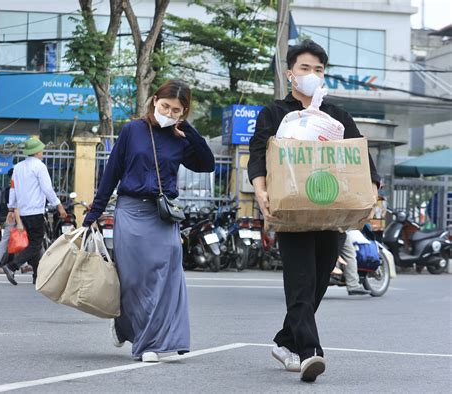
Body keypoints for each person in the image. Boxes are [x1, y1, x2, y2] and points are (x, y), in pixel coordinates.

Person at [248, 40, 381, 383]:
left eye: (318, 70)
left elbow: (361, 158)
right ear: (290, 73)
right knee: (301, 282)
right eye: (305, 68)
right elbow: (259, 155)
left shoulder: (336, 116)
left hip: (330, 212)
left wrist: (372, 195)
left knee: (320, 281)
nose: (311, 74)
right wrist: (261, 192)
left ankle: (284, 341)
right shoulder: (275, 113)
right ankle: (310, 352)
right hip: (291, 214)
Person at [82, 80, 215, 362]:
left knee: (166, 279)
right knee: (134, 280)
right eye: (165, 105)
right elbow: (112, 172)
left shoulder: (180, 139)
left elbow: (207, 164)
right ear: (155, 100)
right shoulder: (133, 130)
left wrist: (187, 129)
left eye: (176, 109)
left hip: (163, 216)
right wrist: (94, 212)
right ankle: (125, 324)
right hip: (130, 212)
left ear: (183, 112)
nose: (168, 111)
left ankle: (149, 343)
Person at [2, 138, 67, 286]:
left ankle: (37, 276)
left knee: (32, 244)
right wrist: (58, 205)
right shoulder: (40, 167)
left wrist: (11, 208)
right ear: (37, 152)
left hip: (23, 212)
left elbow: (13, 189)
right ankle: (12, 266)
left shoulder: (18, 167)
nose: (42, 152)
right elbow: (47, 189)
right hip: (35, 211)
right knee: (36, 244)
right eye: (41, 150)